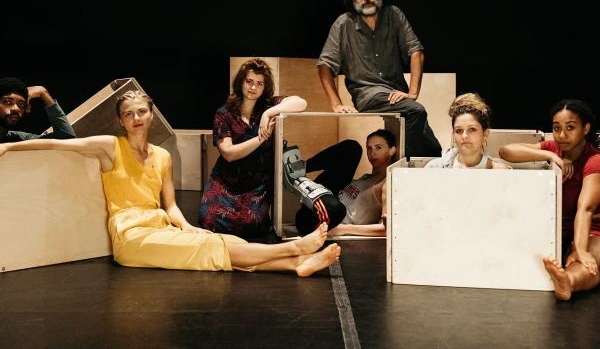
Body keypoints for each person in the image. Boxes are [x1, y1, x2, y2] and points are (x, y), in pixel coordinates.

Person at [0, 90, 341, 276]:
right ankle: (293, 249)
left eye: (141, 112)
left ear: (150, 114)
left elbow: (171, 206)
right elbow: (59, 143)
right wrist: (10, 145)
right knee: (207, 250)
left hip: (162, 225)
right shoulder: (109, 146)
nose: (136, 118)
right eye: (129, 114)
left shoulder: (162, 157)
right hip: (130, 237)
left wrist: (189, 226)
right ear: (121, 120)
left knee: (218, 239)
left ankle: (295, 265)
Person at [317, 0, 441, 158]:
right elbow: (325, 65)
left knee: (433, 150)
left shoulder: (393, 15)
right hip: (368, 94)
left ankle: (403, 167)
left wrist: (413, 92)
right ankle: (400, 173)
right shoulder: (344, 23)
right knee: (416, 111)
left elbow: (416, 51)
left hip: (396, 93)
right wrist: (336, 103)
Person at [499, 99, 600, 300]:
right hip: (555, 228)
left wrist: (580, 249)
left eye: (570, 128)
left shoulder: (594, 160)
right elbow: (506, 151)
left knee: (592, 261)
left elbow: (586, 208)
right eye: (556, 128)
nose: (562, 135)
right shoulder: (554, 148)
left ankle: (567, 282)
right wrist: (549, 155)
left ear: (585, 128)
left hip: (590, 229)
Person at [198, 58, 307, 237]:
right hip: (226, 181)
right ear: (241, 81)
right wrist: (261, 137)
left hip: (257, 184)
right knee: (209, 220)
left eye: (259, 83)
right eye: (249, 81)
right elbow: (229, 154)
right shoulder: (224, 113)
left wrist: (269, 112)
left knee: (251, 226)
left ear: (265, 87)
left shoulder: (269, 106)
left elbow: (301, 102)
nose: (253, 88)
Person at [285, 129, 397, 237]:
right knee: (352, 148)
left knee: (338, 209)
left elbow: (386, 229)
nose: (372, 153)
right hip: (322, 203)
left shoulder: (387, 183)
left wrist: (343, 229)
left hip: (323, 221)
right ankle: (300, 169)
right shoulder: (367, 177)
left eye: (378, 148)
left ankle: (298, 181)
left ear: (392, 150)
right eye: (369, 148)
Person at [426, 93, 510, 169]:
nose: (464, 136)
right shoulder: (434, 168)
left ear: (485, 134)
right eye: (459, 131)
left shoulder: (498, 171)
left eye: (472, 129)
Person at [0, 77, 76, 142]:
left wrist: (43, 92)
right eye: (8, 102)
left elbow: (67, 139)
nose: (16, 109)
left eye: (21, 105)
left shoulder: (17, 138)